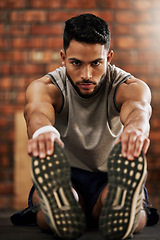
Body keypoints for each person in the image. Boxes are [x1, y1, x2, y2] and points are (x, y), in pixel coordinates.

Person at [10, 13, 159, 240]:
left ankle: (122, 207)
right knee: (51, 207)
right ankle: (59, 205)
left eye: (96, 63)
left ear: (108, 57)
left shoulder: (129, 86)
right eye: (76, 63)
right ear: (63, 57)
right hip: (64, 175)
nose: (86, 75)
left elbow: (139, 110)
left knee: (123, 206)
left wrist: (134, 131)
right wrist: (43, 132)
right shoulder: (46, 87)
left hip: (111, 175)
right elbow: (36, 112)